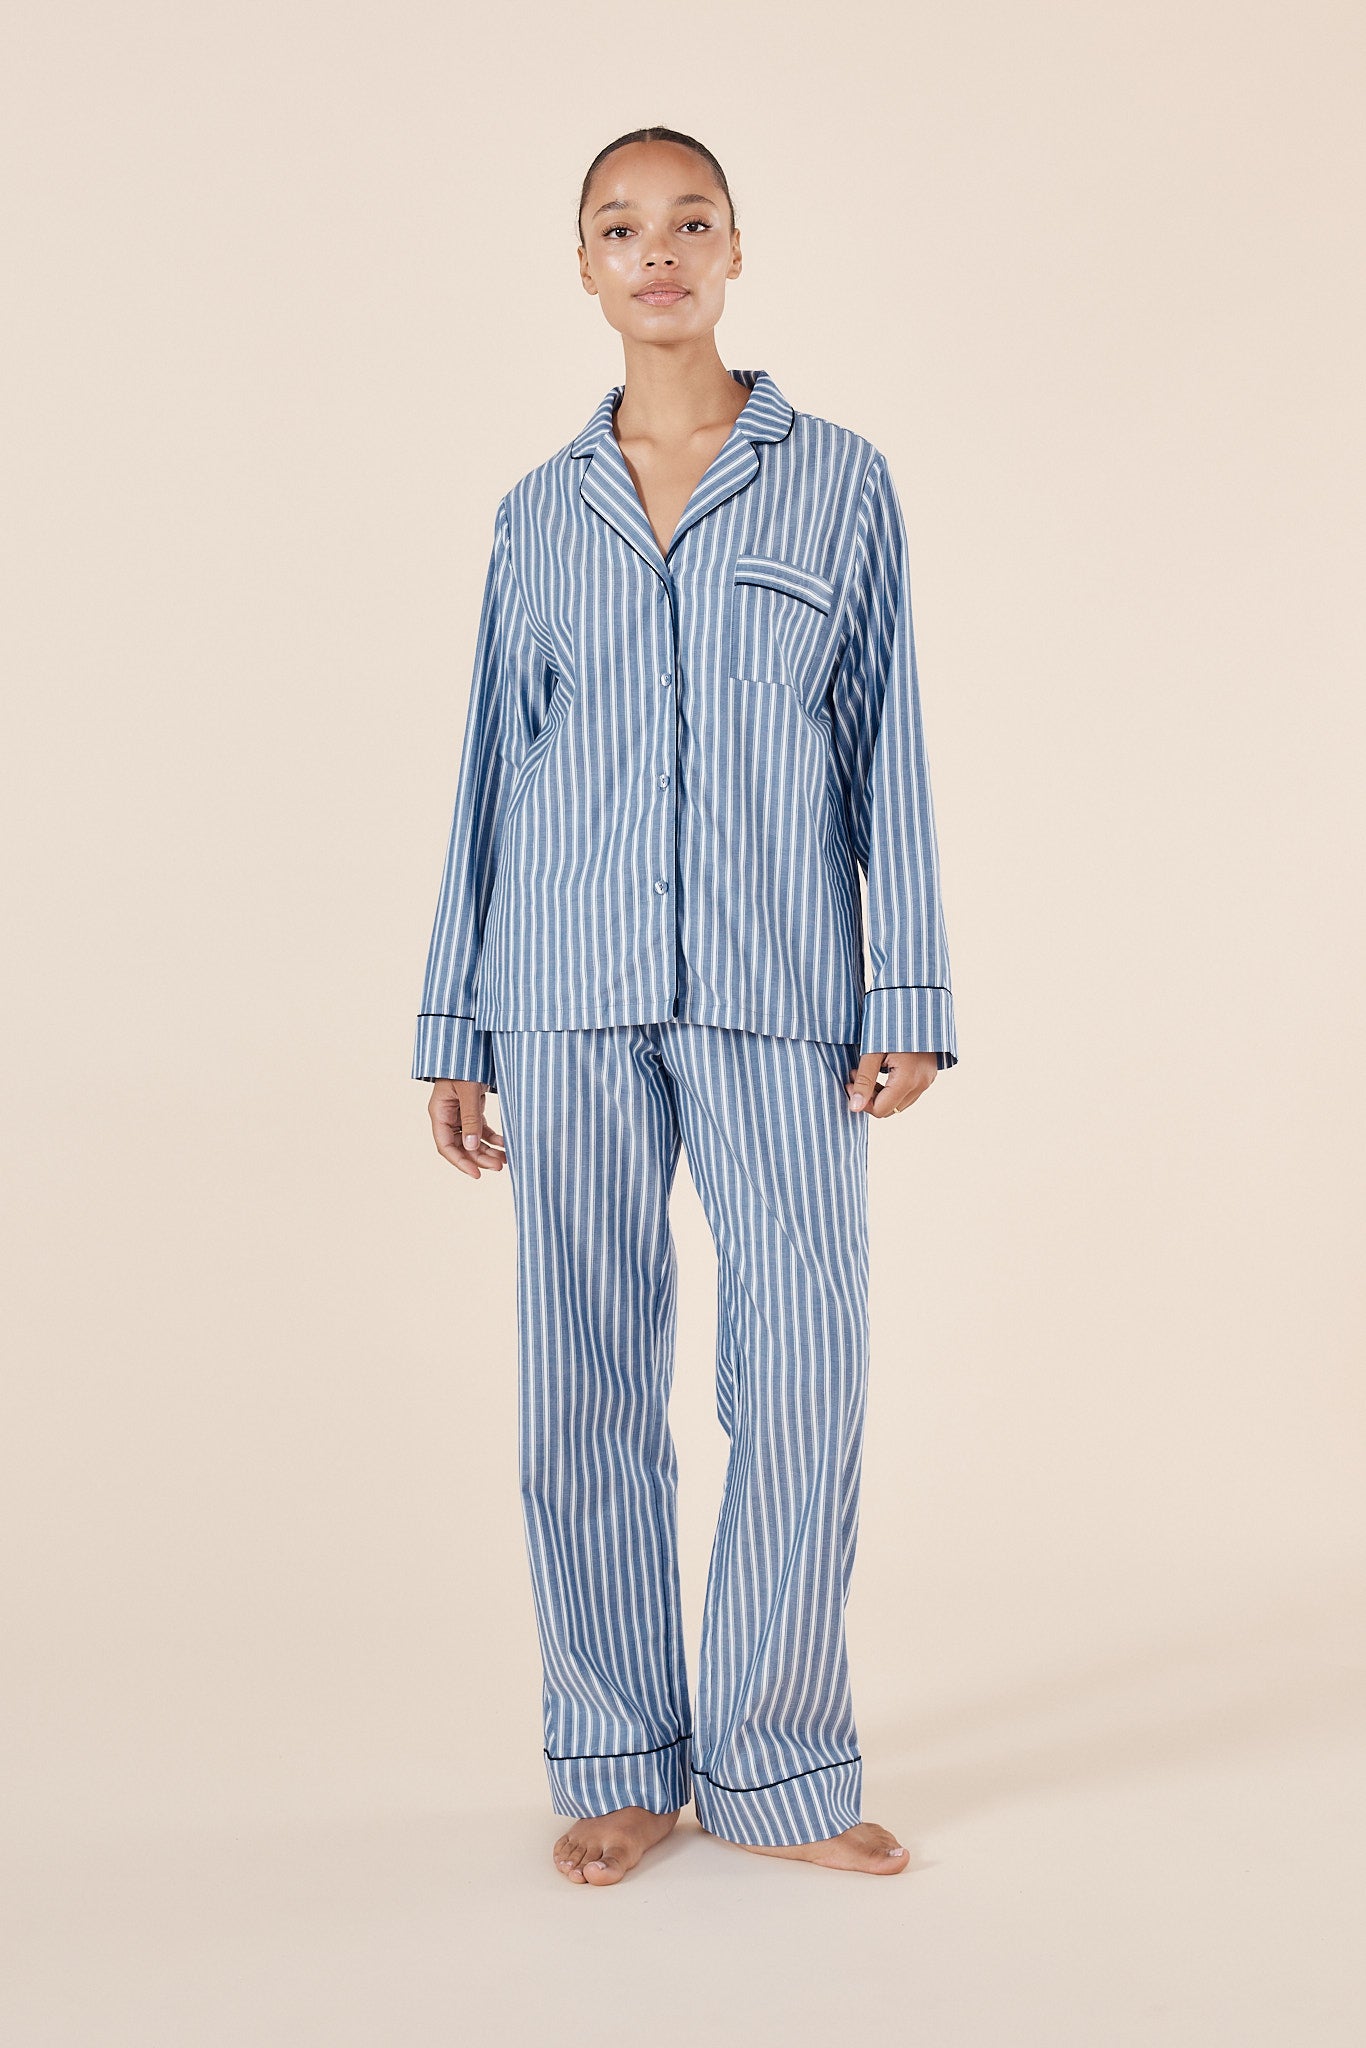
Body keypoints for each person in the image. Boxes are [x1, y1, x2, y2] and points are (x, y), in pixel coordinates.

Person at [412, 126, 958, 1886]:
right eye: (618, 227)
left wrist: (907, 982)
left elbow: (885, 743)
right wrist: (454, 1025)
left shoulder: (839, 483)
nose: (656, 250)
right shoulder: (535, 512)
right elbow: (493, 773)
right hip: (558, 988)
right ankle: (620, 1758)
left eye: (688, 221)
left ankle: (778, 1765)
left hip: (777, 986)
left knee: (801, 1370)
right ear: (583, 267)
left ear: (733, 252)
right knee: (579, 1384)